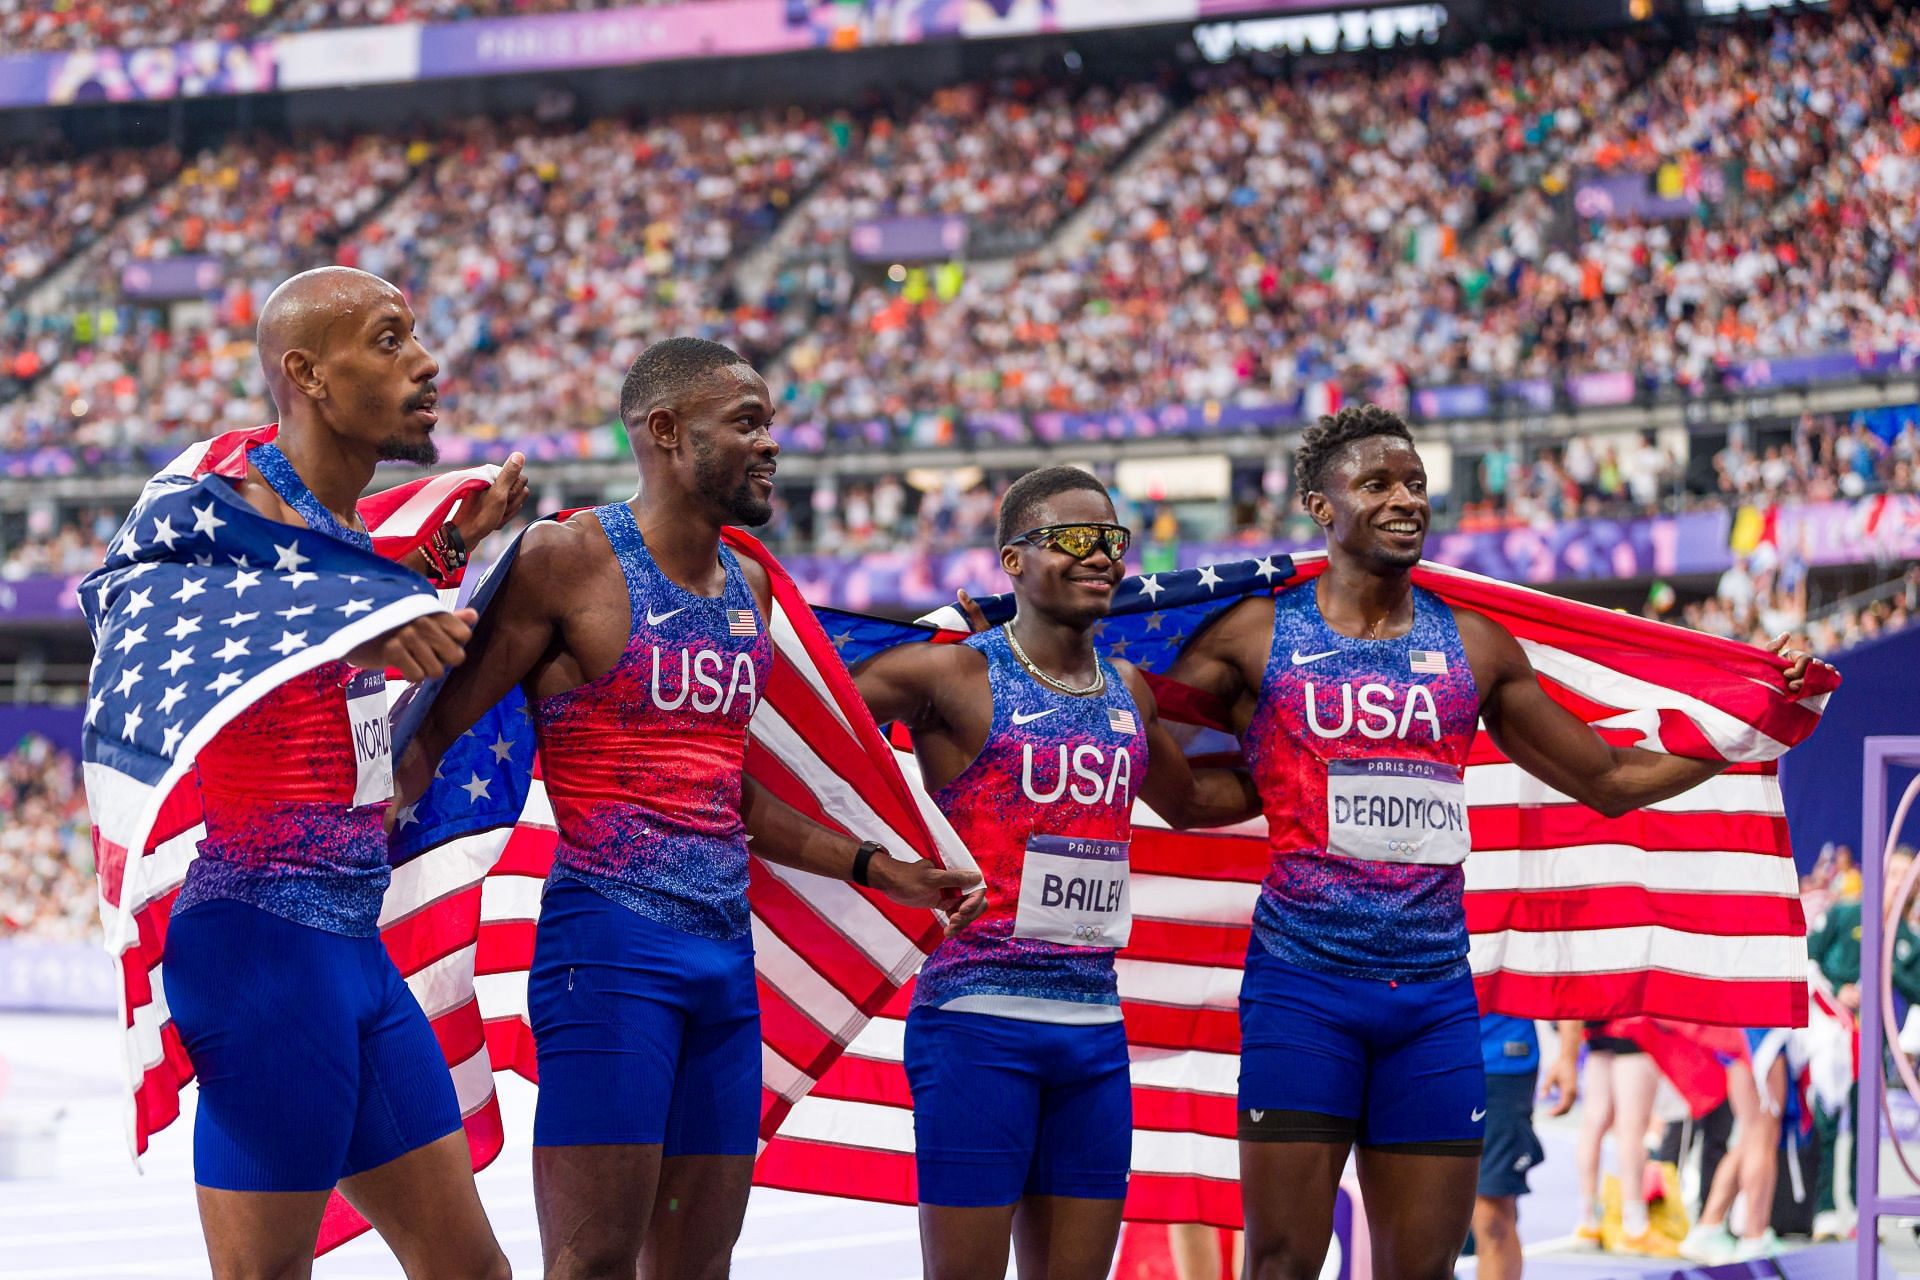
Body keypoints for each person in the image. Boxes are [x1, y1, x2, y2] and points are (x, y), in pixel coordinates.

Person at [1161, 405, 1829, 1280]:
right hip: (1303, 992)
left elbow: (1610, 782)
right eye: (1376, 484)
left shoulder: (1473, 645)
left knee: (1425, 1268)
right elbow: (1176, 789)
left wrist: (1751, 722)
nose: (1405, 500)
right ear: (1321, 508)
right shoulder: (1254, 636)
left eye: (1415, 484)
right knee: (1283, 1261)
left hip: (1434, 1003)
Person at [391, 337, 983, 1280]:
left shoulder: (748, 587)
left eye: (770, 425)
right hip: (609, 952)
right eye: (745, 423)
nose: (769, 445)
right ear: (665, 432)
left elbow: (731, 787)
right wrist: (352, 846)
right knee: (593, 1265)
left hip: (724, 959)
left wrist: (876, 867)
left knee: (701, 1266)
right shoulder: (567, 559)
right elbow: (433, 729)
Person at [155, 266, 527, 1278]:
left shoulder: (348, 536)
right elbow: (153, 602)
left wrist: (449, 544)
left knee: (474, 1269)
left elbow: (357, 609)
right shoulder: (219, 509)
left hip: (356, 953)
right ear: (308, 373)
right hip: (259, 947)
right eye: (391, 337)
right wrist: (362, 618)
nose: (427, 359)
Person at [849, 465, 1260, 1280]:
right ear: (1013, 559)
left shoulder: (1129, 691)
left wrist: (1307, 765)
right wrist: (873, 864)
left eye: (1111, 540)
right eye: (1072, 539)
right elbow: (803, 724)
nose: (1100, 555)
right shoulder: (953, 676)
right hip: (976, 1023)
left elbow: (1193, 802)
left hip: (1095, 1034)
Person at [1470, 1018, 1581, 1279]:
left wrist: (1568, 1054)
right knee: (1430, 1214)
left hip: (1503, 1059)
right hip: (1425, 1052)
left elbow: (1566, 980)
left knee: (1492, 1213)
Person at [1572, 1022, 1675, 1257]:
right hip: (1634, 1025)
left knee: (1594, 1122)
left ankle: (1587, 1220)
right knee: (1630, 1128)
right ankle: (1634, 1226)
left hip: (1600, 1025)